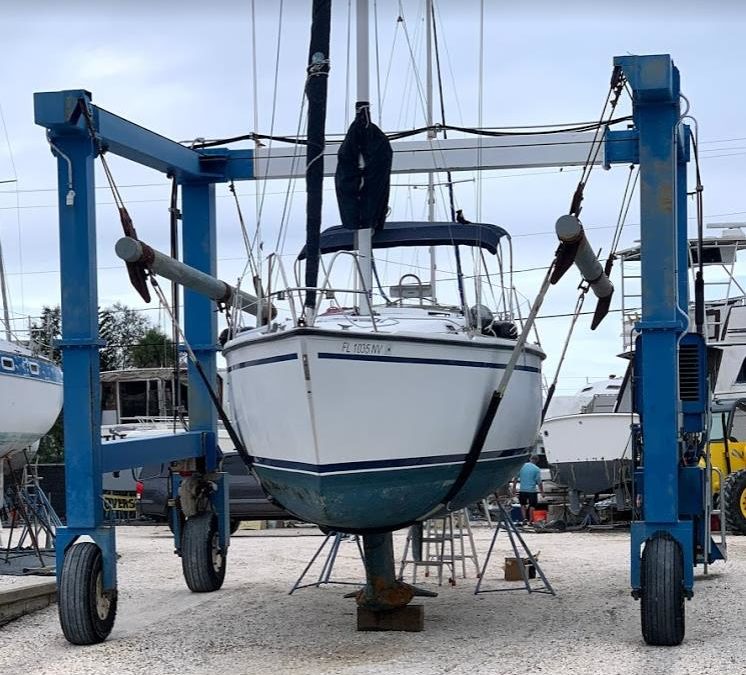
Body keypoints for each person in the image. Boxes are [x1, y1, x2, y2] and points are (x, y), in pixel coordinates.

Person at [511, 455, 544, 524]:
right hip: (532, 491)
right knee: (532, 505)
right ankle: (531, 520)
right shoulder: (537, 469)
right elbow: (539, 482)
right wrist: (542, 492)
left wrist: (514, 489)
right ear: (537, 461)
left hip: (522, 490)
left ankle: (524, 519)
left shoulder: (522, 467)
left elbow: (515, 478)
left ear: (530, 459)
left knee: (523, 505)